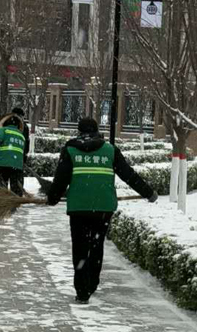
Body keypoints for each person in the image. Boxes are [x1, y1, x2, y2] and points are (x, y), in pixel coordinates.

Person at [47, 116, 158, 303]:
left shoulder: (70, 150)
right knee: (96, 246)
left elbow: (61, 179)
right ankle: (92, 283)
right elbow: (128, 174)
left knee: (80, 247)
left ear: (79, 131)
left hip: (78, 208)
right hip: (103, 208)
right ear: (97, 131)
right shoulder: (109, 150)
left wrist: (52, 198)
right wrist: (148, 193)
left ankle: (82, 291)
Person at [0, 112, 27, 196]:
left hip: (4, 163)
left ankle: (4, 201)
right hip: (17, 165)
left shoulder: (4, 130)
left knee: (3, 185)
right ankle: (14, 201)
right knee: (15, 186)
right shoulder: (21, 135)